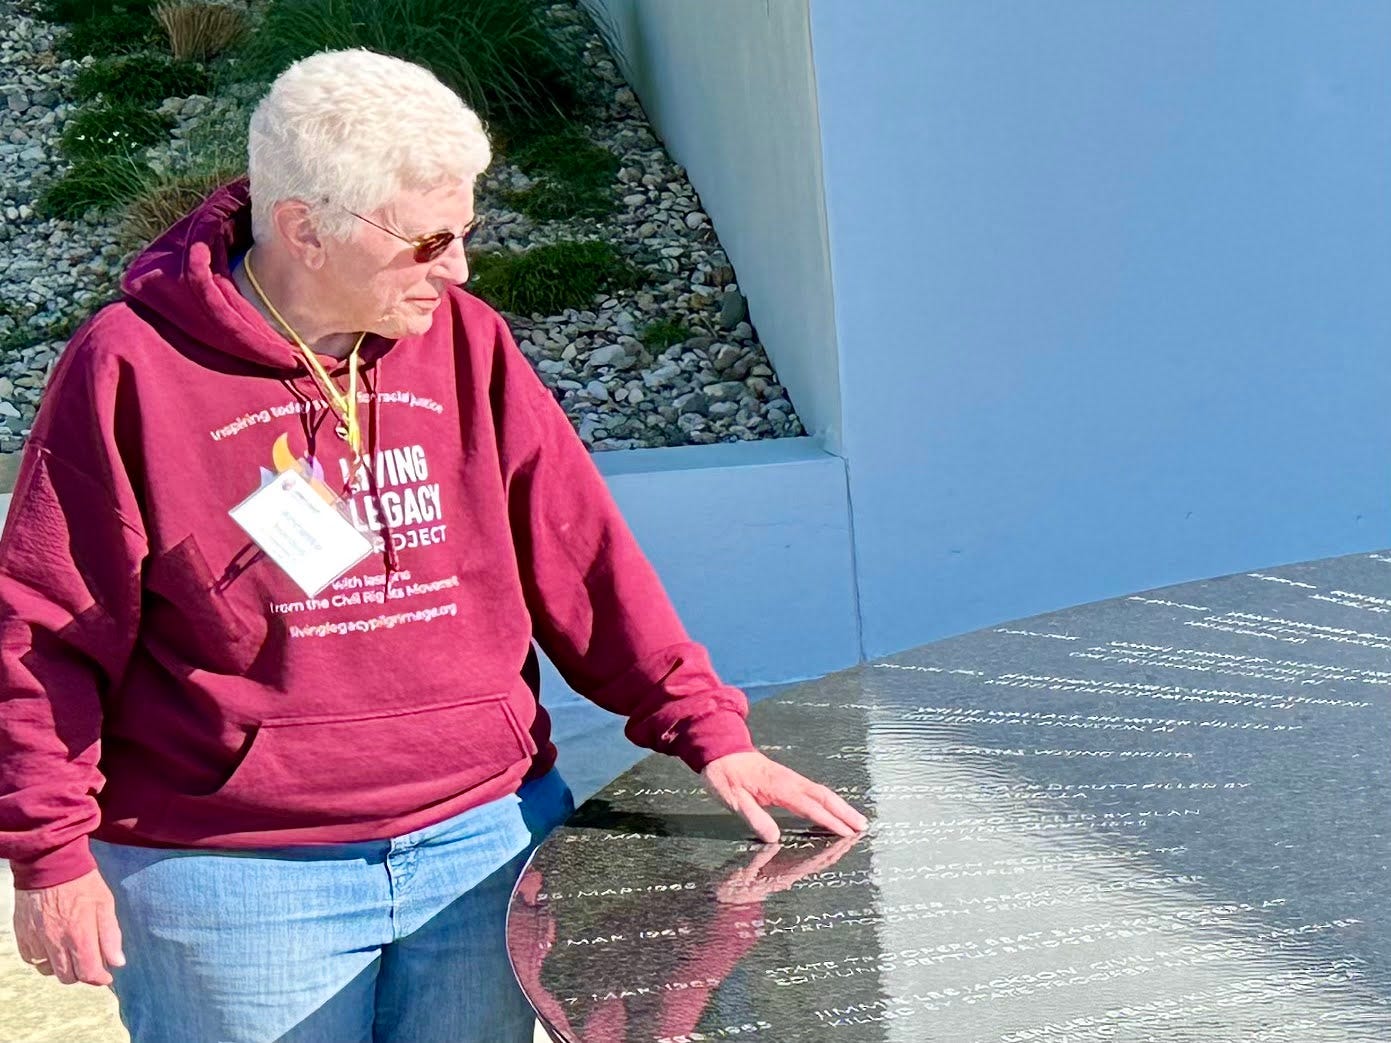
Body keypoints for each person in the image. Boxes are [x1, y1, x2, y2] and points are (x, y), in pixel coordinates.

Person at [0, 48, 866, 1042]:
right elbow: (44, 628)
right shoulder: (131, 368)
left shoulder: (466, 340)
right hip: (236, 879)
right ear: (303, 230)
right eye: (428, 241)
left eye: (465, 233)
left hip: (482, 844)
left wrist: (705, 728)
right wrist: (50, 853)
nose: (457, 267)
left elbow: (581, 558)